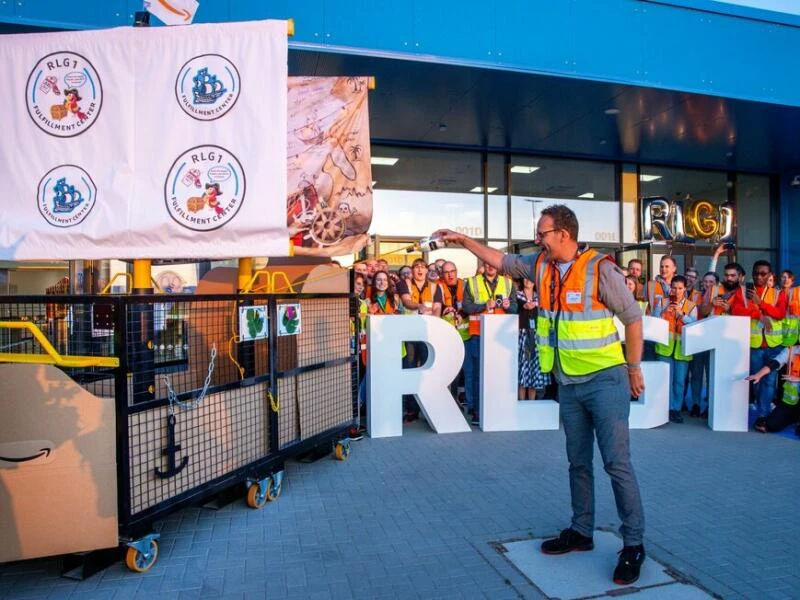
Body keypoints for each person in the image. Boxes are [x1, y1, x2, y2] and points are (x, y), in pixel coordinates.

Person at [434, 204, 646, 586]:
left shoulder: (601, 268)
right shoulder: (541, 266)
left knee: (617, 464)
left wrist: (633, 368)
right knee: (577, 463)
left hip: (605, 381)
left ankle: (633, 544)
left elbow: (632, 318)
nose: (538, 239)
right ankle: (581, 532)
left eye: (543, 233)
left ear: (563, 234)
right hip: (568, 383)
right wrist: (463, 240)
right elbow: (499, 259)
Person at [462, 261, 515, 424]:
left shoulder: (508, 283)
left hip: (500, 336)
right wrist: (484, 305)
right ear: (484, 266)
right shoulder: (472, 282)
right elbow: (466, 307)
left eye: (493, 264)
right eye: (487, 264)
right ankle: (477, 410)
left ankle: (498, 408)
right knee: (479, 374)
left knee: (500, 373)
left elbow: (515, 308)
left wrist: (508, 306)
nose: (491, 267)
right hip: (478, 334)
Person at [652, 275, 698, 423]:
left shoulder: (691, 306)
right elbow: (654, 320)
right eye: (674, 288)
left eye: (680, 288)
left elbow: (694, 325)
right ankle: (664, 408)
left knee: (679, 381)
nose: (676, 291)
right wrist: (665, 309)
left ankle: (676, 409)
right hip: (665, 347)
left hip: (682, 349)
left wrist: (682, 315)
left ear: (685, 289)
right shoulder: (662, 301)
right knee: (665, 380)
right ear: (669, 288)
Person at [746, 345, 800, 434]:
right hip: (791, 400)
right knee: (772, 425)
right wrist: (759, 374)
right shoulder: (792, 350)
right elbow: (775, 362)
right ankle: (794, 417)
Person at [515, 278, 549, 399]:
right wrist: (523, 306)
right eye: (525, 278)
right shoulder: (516, 296)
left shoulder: (540, 297)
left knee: (533, 372)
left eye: (530, 278)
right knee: (523, 371)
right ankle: (521, 404)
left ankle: (532, 404)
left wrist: (536, 305)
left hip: (536, 336)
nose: (528, 281)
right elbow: (513, 309)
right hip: (521, 335)